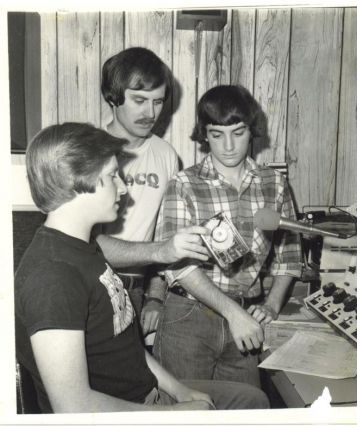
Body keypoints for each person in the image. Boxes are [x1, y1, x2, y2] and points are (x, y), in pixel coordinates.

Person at [14, 122, 270, 413]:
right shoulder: (53, 276)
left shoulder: (84, 248)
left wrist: (179, 390)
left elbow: (126, 345)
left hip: (148, 395)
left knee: (253, 400)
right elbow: (73, 407)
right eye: (113, 176)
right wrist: (173, 414)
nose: (124, 189)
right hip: (127, 411)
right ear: (78, 180)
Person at [153, 85, 303, 388]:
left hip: (246, 318)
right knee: (185, 411)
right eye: (217, 134)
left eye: (238, 131)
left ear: (252, 131)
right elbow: (178, 266)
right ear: (204, 135)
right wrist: (234, 314)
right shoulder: (183, 184)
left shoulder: (274, 184)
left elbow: (289, 256)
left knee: (247, 408)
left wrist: (272, 305)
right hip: (188, 317)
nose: (229, 145)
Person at [97, 47, 208, 334]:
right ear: (113, 96)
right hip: (90, 285)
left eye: (158, 102)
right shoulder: (86, 148)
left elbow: (166, 233)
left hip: (136, 290)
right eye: (139, 100)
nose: (151, 113)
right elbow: (86, 243)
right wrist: (162, 251)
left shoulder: (166, 155)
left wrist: (155, 297)